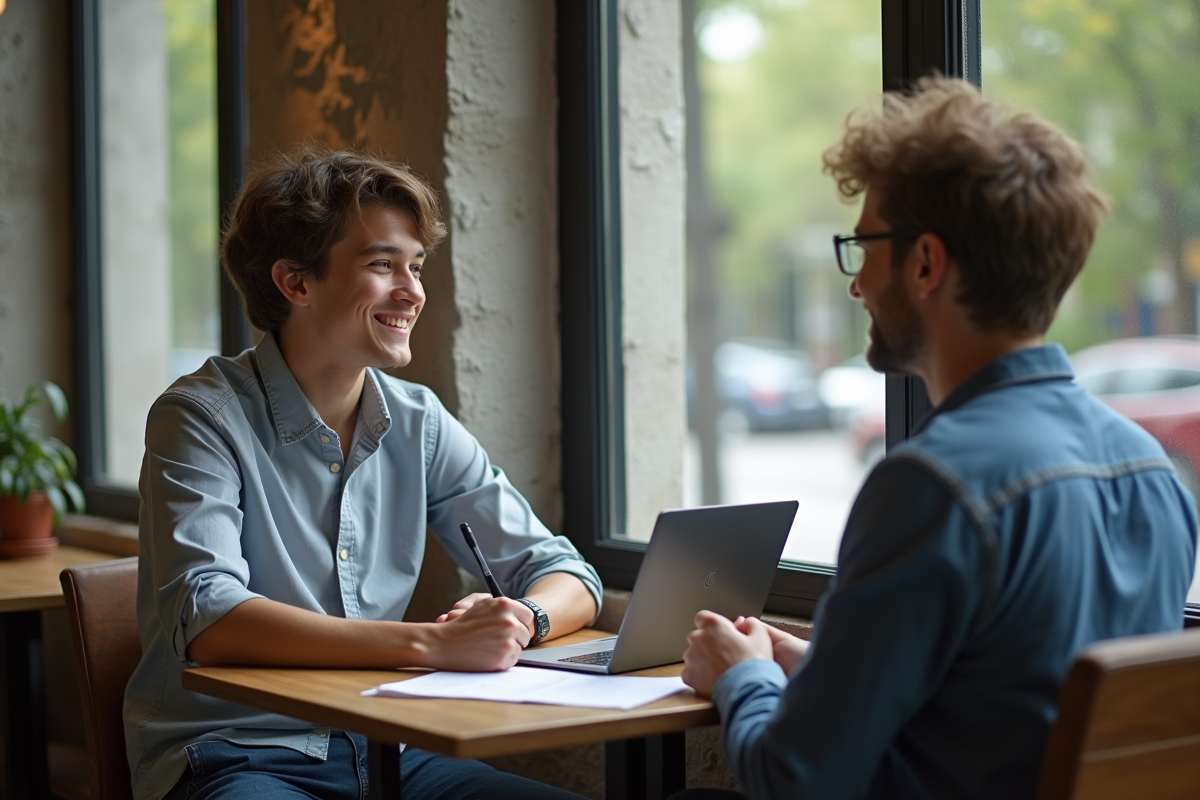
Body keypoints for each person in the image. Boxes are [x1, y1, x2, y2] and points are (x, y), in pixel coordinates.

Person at [676, 77, 1199, 800]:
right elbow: (1007, 706)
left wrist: (744, 676)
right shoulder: (1153, 474)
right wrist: (820, 666)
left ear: (925, 263)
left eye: (864, 248)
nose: (856, 285)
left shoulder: (931, 485)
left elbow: (794, 780)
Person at [123, 145, 601, 800]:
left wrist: (523, 618)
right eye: (383, 265)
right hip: (240, 755)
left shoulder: (419, 421)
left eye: (417, 266)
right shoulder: (199, 417)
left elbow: (565, 570)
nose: (413, 291)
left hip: (391, 755)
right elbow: (213, 621)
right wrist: (435, 646)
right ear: (296, 282)